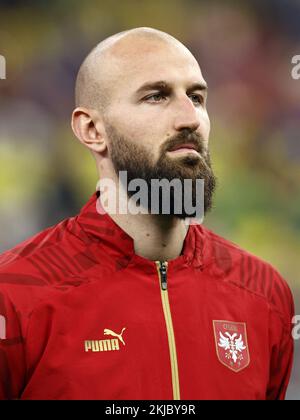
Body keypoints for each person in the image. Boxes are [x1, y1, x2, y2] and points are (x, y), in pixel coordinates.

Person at [0, 27, 294, 400]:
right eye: (157, 96)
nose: (190, 118)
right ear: (92, 129)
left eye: (198, 97)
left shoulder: (263, 292)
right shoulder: (14, 294)